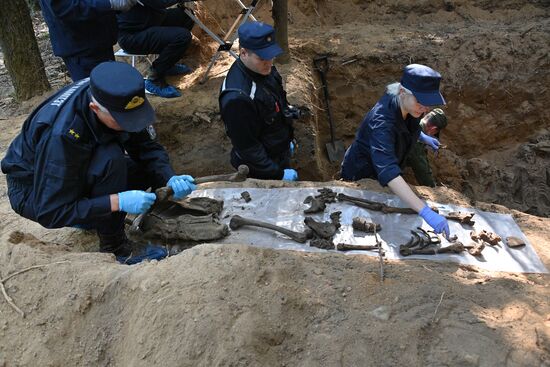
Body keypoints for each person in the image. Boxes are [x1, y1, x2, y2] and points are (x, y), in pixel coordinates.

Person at [1, 61, 196, 263]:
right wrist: (118, 201)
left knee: (143, 169)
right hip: (34, 190)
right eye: (123, 120)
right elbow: (50, 211)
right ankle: (116, 248)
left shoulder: (115, 96)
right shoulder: (62, 136)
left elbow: (146, 147)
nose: (131, 124)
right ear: (95, 108)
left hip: (76, 169)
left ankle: (94, 214)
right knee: (111, 161)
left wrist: (169, 177)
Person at [340, 64, 450, 238]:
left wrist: (422, 136)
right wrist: (425, 211)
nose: (424, 109)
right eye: (420, 102)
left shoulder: (410, 106)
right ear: (402, 92)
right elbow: (389, 172)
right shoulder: (382, 123)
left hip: (385, 164)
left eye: (427, 104)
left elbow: (407, 126)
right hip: (364, 173)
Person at [219, 21, 301, 181]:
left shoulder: (263, 68)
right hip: (260, 170)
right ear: (243, 53)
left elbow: (278, 101)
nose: (269, 62)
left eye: (271, 55)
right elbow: (248, 149)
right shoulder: (237, 99)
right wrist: (278, 174)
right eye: (263, 57)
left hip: (278, 150)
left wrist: (287, 139)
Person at [39, 0, 137, 81]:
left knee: (109, 92)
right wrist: (109, 3)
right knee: (96, 97)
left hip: (100, 42)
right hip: (81, 49)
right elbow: (64, 8)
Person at [117, 0, 195, 98]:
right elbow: (160, 2)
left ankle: (166, 65)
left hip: (148, 21)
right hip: (133, 37)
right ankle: (154, 80)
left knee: (185, 16)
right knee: (182, 37)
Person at [405, 108, 448, 187]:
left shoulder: (411, 121)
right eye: (434, 133)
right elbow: (421, 169)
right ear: (433, 129)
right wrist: (433, 187)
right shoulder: (417, 142)